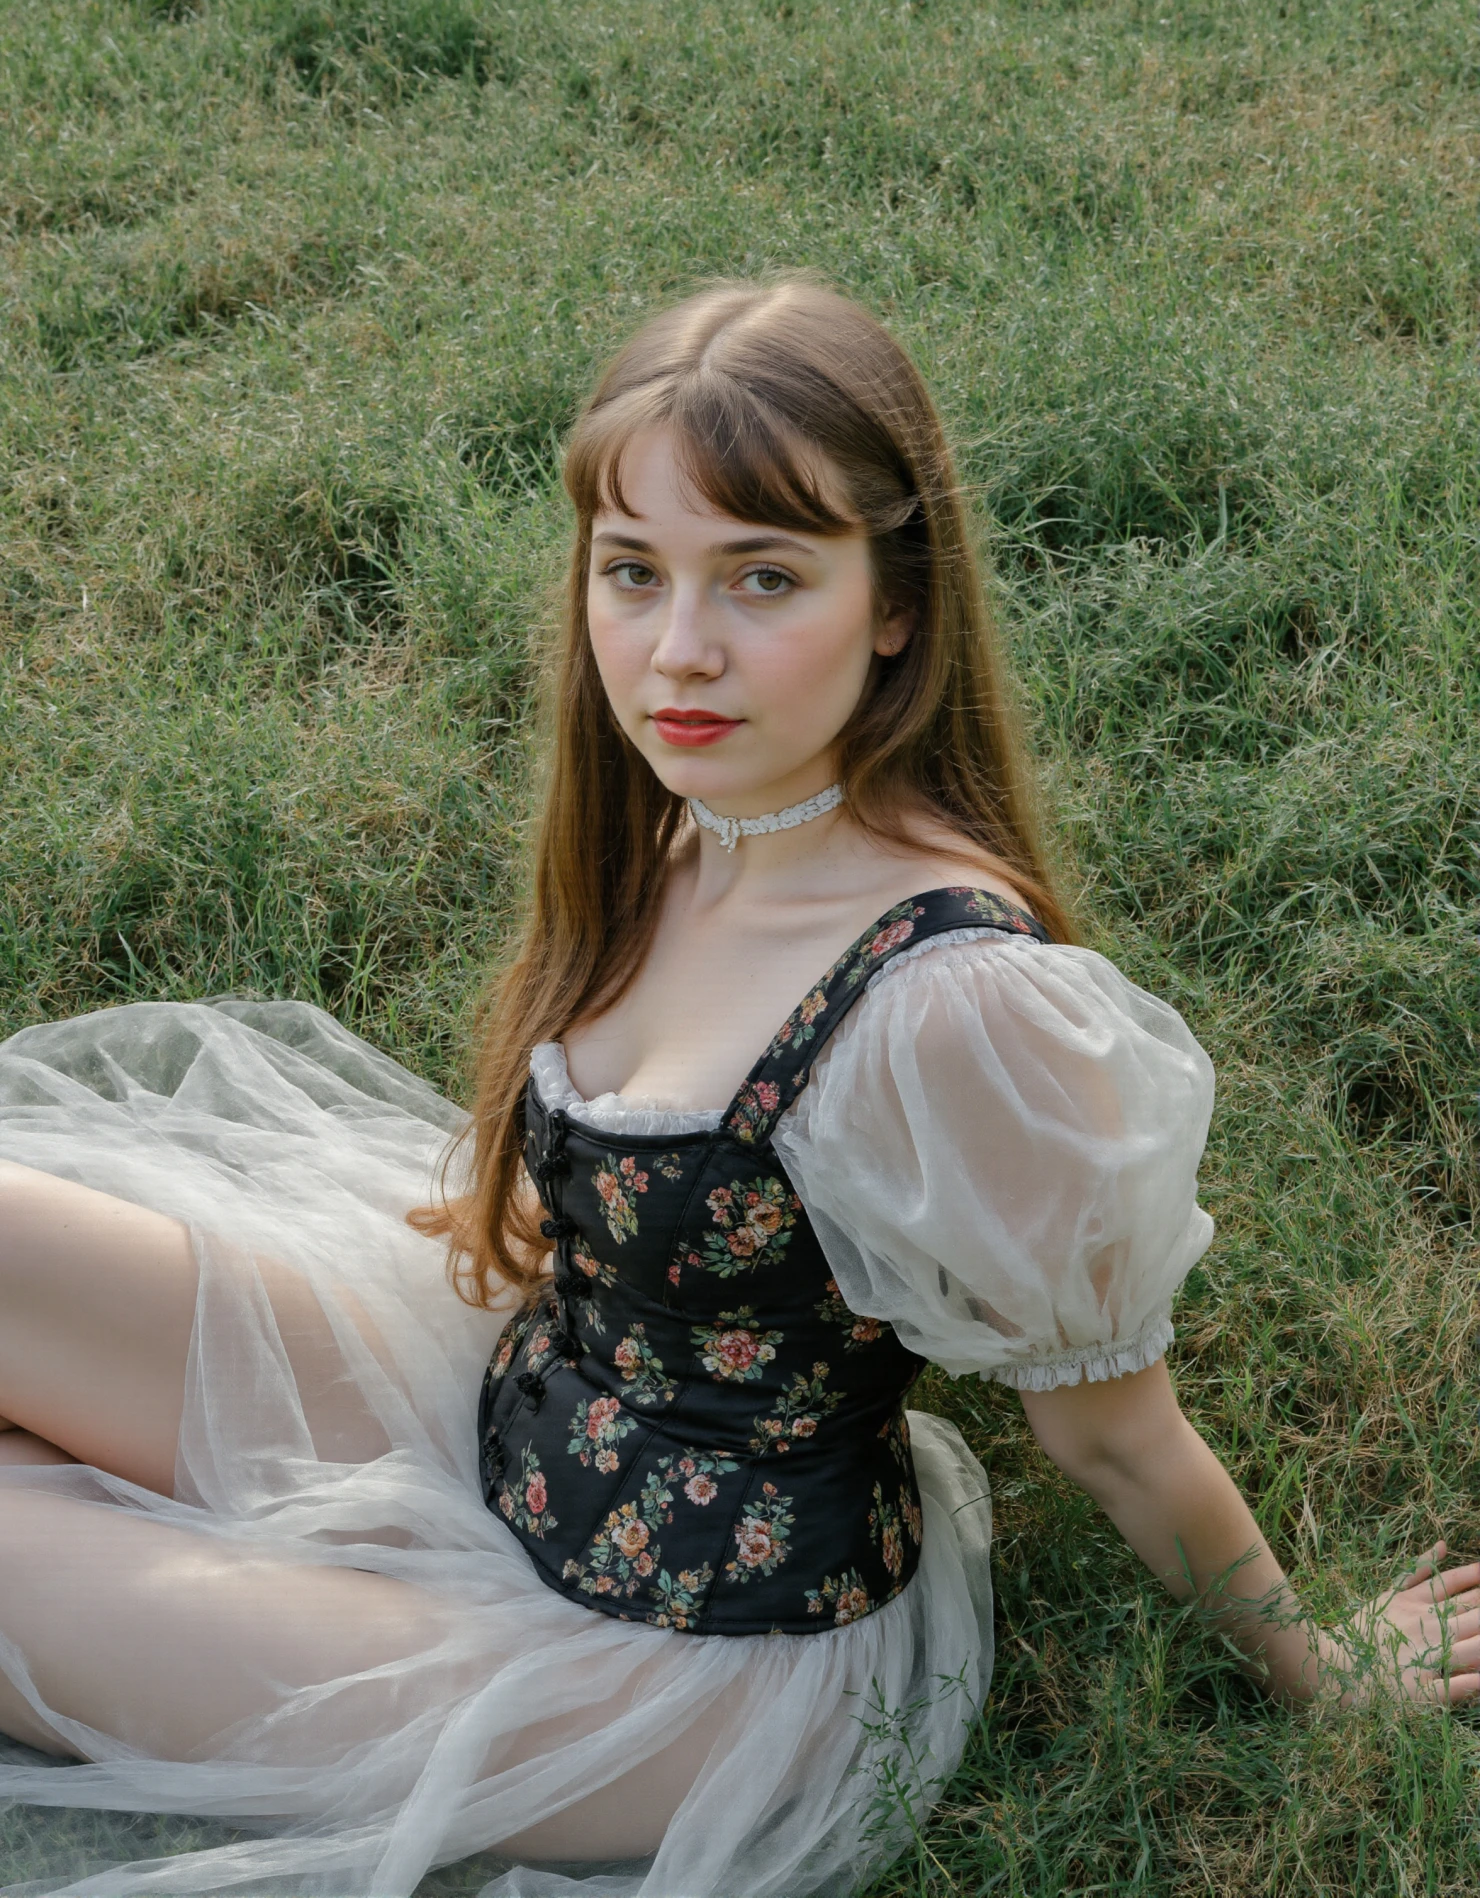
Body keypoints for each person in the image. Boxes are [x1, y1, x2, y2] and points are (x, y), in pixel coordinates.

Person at [0, 276, 1474, 1898]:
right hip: (513, 1409)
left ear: (895, 602)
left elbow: (1119, 1437)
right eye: (634, 572)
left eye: (764, 577)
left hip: (672, 1669)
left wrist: (1321, 1663)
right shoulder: (683, 821)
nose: (678, 650)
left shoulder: (955, 1006)